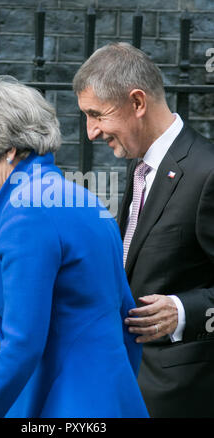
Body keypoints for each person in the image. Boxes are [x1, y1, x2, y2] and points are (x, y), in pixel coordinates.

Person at [0, 75, 148, 418]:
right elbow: (127, 321)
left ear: (9, 150)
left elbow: (23, 345)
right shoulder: (86, 200)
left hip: (61, 404)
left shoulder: (27, 211)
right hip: (115, 399)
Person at [73, 42, 214, 418]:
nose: (91, 132)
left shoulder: (207, 172)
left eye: (96, 115)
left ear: (137, 103)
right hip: (126, 388)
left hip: (181, 399)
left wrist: (185, 312)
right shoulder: (141, 167)